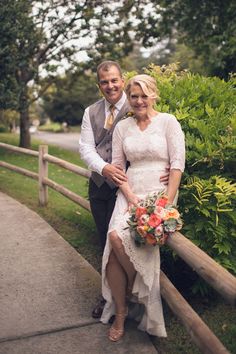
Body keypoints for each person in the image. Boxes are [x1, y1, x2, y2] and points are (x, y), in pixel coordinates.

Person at [79, 61, 169, 319]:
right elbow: (86, 148)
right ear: (99, 85)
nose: (110, 86)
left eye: (114, 80)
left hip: (132, 188)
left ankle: (133, 294)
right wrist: (104, 168)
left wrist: (166, 168)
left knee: (128, 242)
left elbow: (156, 137)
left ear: (122, 79)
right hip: (100, 186)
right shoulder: (91, 112)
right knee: (104, 243)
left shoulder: (137, 103)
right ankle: (107, 296)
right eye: (105, 82)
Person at [100, 74, 185, 341]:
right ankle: (123, 309)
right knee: (114, 238)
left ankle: (127, 298)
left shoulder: (168, 122)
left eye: (144, 95)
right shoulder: (123, 127)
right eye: (134, 96)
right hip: (130, 191)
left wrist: (165, 206)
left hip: (159, 196)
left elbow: (177, 165)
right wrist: (130, 195)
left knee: (118, 245)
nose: (139, 101)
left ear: (153, 95)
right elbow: (116, 167)